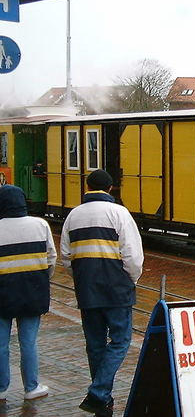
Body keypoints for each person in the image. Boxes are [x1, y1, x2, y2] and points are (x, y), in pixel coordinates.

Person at [61, 169, 144, 417]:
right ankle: (98, 393)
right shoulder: (119, 213)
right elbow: (132, 256)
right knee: (120, 340)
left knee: (95, 344)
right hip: (116, 287)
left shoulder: (73, 215)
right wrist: (130, 279)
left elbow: (66, 256)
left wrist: (83, 276)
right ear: (110, 189)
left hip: (87, 288)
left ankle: (103, 400)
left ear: (88, 187)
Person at [0, 185, 56, 402]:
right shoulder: (40, 225)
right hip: (33, 291)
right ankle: (31, 386)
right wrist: (41, 279)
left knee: (1, 344)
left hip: (2, 293)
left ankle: (2, 388)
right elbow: (51, 258)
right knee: (29, 341)